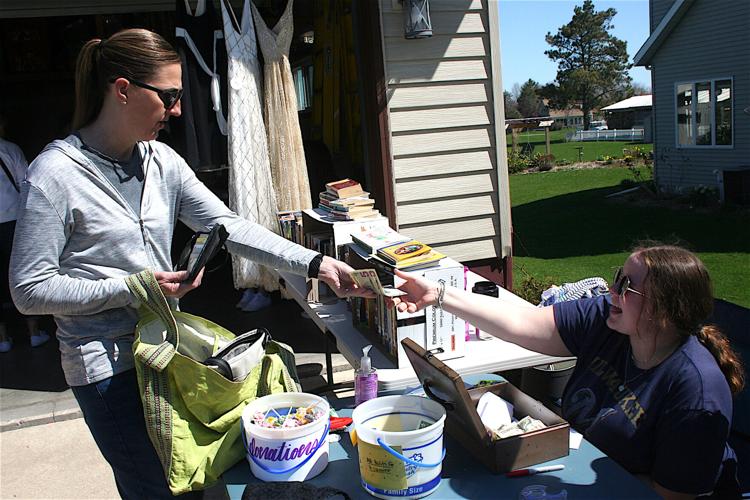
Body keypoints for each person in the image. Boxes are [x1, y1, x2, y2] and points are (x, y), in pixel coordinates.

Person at [9, 28, 370, 499]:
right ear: (122, 91)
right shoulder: (53, 175)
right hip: (107, 372)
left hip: (167, 357)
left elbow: (231, 228)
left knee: (197, 482)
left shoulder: (162, 162)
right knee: (157, 490)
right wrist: (135, 288)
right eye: (170, 96)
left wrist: (315, 263)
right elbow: (28, 290)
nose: (178, 110)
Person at [390, 244, 744, 499]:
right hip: (578, 469)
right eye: (617, 277)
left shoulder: (697, 395)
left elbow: (672, 496)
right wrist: (437, 294)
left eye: (626, 286)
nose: (612, 290)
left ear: (663, 310)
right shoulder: (607, 320)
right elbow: (523, 322)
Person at [0, 113, 49, 352]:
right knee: (21, 276)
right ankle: (33, 332)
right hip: (12, 222)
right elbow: (27, 183)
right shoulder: (10, 149)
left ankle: (2, 338)